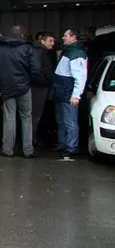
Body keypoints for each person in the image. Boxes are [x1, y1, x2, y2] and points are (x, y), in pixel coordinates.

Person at [0, 26, 40, 158]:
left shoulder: (0, 50)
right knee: (26, 118)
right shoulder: (28, 49)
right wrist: (29, 81)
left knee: (9, 118)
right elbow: (36, 69)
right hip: (24, 88)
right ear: (22, 35)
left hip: (7, 88)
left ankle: (8, 149)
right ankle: (28, 150)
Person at [52, 28, 88, 160]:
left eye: (65, 35)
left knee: (69, 121)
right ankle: (63, 144)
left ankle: (71, 147)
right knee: (61, 120)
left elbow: (80, 77)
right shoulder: (69, 51)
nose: (63, 38)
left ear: (73, 37)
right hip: (61, 92)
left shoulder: (76, 53)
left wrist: (76, 95)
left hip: (67, 92)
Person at [31, 33, 56, 144]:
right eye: (50, 41)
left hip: (39, 87)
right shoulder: (39, 53)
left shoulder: (42, 52)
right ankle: (31, 139)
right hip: (38, 88)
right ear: (42, 41)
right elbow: (36, 72)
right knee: (35, 115)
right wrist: (45, 81)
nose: (53, 43)